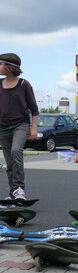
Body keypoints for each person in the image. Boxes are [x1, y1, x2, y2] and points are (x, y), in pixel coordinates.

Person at [0, 53, 39, 200]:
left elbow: (34, 110)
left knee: (16, 150)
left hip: (20, 125)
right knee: (9, 162)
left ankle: (19, 189)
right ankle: (13, 193)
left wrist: (33, 128)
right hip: (3, 127)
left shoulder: (24, 84)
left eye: (0, 64)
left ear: (9, 67)